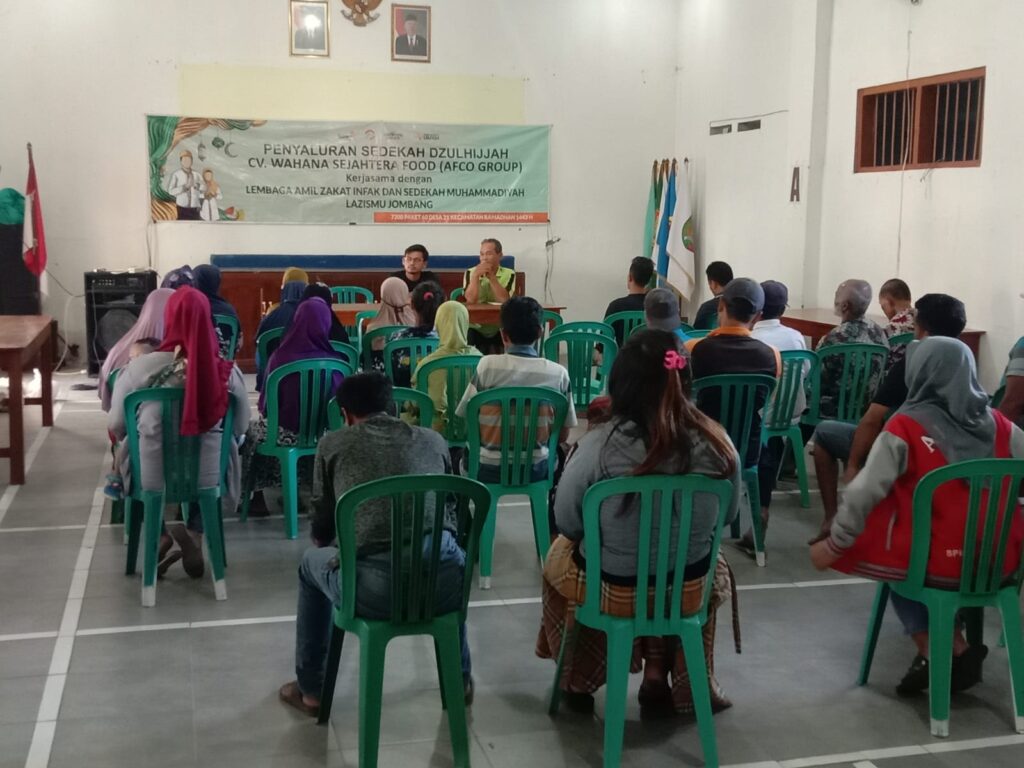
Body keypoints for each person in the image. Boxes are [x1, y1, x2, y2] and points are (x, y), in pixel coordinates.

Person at [536, 329, 740, 715]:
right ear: (686, 379)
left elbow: (568, 522)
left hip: (614, 589)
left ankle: (577, 679)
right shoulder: (718, 442)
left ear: (621, 384)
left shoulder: (598, 445)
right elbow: (727, 517)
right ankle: (664, 674)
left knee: (558, 557)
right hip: (688, 590)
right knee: (694, 566)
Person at [810, 337, 1024, 697]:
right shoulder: (1003, 427)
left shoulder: (904, 427)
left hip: (938, 564)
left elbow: (863, 493)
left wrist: (836, 543)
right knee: (919, 553)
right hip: (999, 562)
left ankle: (936, 649)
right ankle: (953, 645)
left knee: (898, 561)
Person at [278, 372, 473, 718]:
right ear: (391, 407)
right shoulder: (433, 440)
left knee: (310, 563)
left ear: (346, 414)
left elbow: (322, 530)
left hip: (375, 591)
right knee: (444, 551)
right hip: (446, 584)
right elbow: (450, 510)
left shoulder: (333, 445)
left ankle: (312, 690)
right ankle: (459, 680)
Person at [108, 287, 250, 578]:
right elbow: (241, 427)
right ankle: (196, 531)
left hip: (152, 475)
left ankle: (160, 532)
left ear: (169, 320)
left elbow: (116, 425)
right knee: (227, 448)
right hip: (208, 476)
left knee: (133, 447)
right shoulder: (228, 372)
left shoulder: (138, 369)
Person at [810, 294, 967, 544]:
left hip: (905, 449)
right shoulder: (966, 364)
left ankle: (832, 519)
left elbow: (873, 419)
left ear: (921, 328)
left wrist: (853, 465)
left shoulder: (912, 362)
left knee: (825, 433)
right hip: (953, 456)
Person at [454, 296, 577, 481]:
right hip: (536, 471)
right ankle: (548, 500)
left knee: (456, 455)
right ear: (540, 332)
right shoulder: (559, 374)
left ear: (503, 335)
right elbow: (562, 434)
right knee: (563, 453)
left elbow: (467, 417)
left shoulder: (487, 366)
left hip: (485, 469)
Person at [243, 298, 346, 511]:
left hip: (283, 434)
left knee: (252, 432)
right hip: (325, 434)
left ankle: (256, 499)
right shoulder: (336, 362)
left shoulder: (280, 358)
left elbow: (266, 406)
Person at [685, 278, 781, 471]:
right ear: (758, 317)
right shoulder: (773, 355)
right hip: (747, 451)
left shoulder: (692, 348)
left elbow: (681, 393)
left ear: (721, 305)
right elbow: (767, 400)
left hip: (701, 448)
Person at [744, 280, 808, 552]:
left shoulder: (751, 340)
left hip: (754, 418)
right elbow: (805, 372)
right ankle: (764, 504)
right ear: (783, 309)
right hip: (788, 415)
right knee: (771, 440)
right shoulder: (796, 337)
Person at [815, 279, 889, 419]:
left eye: (836, 295)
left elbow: (816, 377)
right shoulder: (879, 333)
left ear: (845, 306)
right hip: (866, 410)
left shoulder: (834, 338)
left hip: (833, 410)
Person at [99, 287, 175, 411]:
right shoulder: (183, 355)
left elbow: (106, 387)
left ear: (145, 310)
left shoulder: (117, 352)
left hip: (127, 417)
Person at [413, 301, 482, 434]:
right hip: (473, 432)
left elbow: (416, 403)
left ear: (438, 325)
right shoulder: (481, 360)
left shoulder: (427, 365)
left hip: (435, 433)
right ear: (466, 324)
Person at [463, 238, 517, 353]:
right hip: (474, 325)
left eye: (489, 254)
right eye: (481, 254)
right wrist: (475, 277)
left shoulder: (509, 273)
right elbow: (471, 300)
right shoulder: (470, 272)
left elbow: (504, 300)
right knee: (467, 335)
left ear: (500, 255)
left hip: (499, 324)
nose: (484, 258)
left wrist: (492, 277)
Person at [384, 282, 443, 386]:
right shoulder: (445, 339)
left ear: (411, 305)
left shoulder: (397, 338)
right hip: (435, 394)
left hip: (402, 394)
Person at [255, 281, 309, 388]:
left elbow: (258, 340)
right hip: (307, 374)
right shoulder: (311, 316)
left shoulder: (273, 315)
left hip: (274, 372)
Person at [604, 257, 654, 345]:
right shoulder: (656, 307)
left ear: (630, 278)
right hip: (650, 354)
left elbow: (603, 344)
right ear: (649, 281)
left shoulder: (615, 306)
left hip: (623, 354)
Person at [194, 264, 241, 358]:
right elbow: (238, 344)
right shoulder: (229, 310)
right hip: (224, 365)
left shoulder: (192, 309)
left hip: (195, 364)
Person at [692, 261, 734, 330]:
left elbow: (697, 333)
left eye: (709, 283)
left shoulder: (706, 307)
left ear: (714, 284)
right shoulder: (740, 305)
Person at [165, 150, 203, 220]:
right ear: (181, 162)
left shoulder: (197, 174)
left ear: (192, 161)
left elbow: (204, 188)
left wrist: (198, 187)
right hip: (182, 207)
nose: (187, 162)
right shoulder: (176, 174)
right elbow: (170, 191)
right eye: (184, 160)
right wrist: (184, 187)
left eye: (189, 160)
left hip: (195, 207)